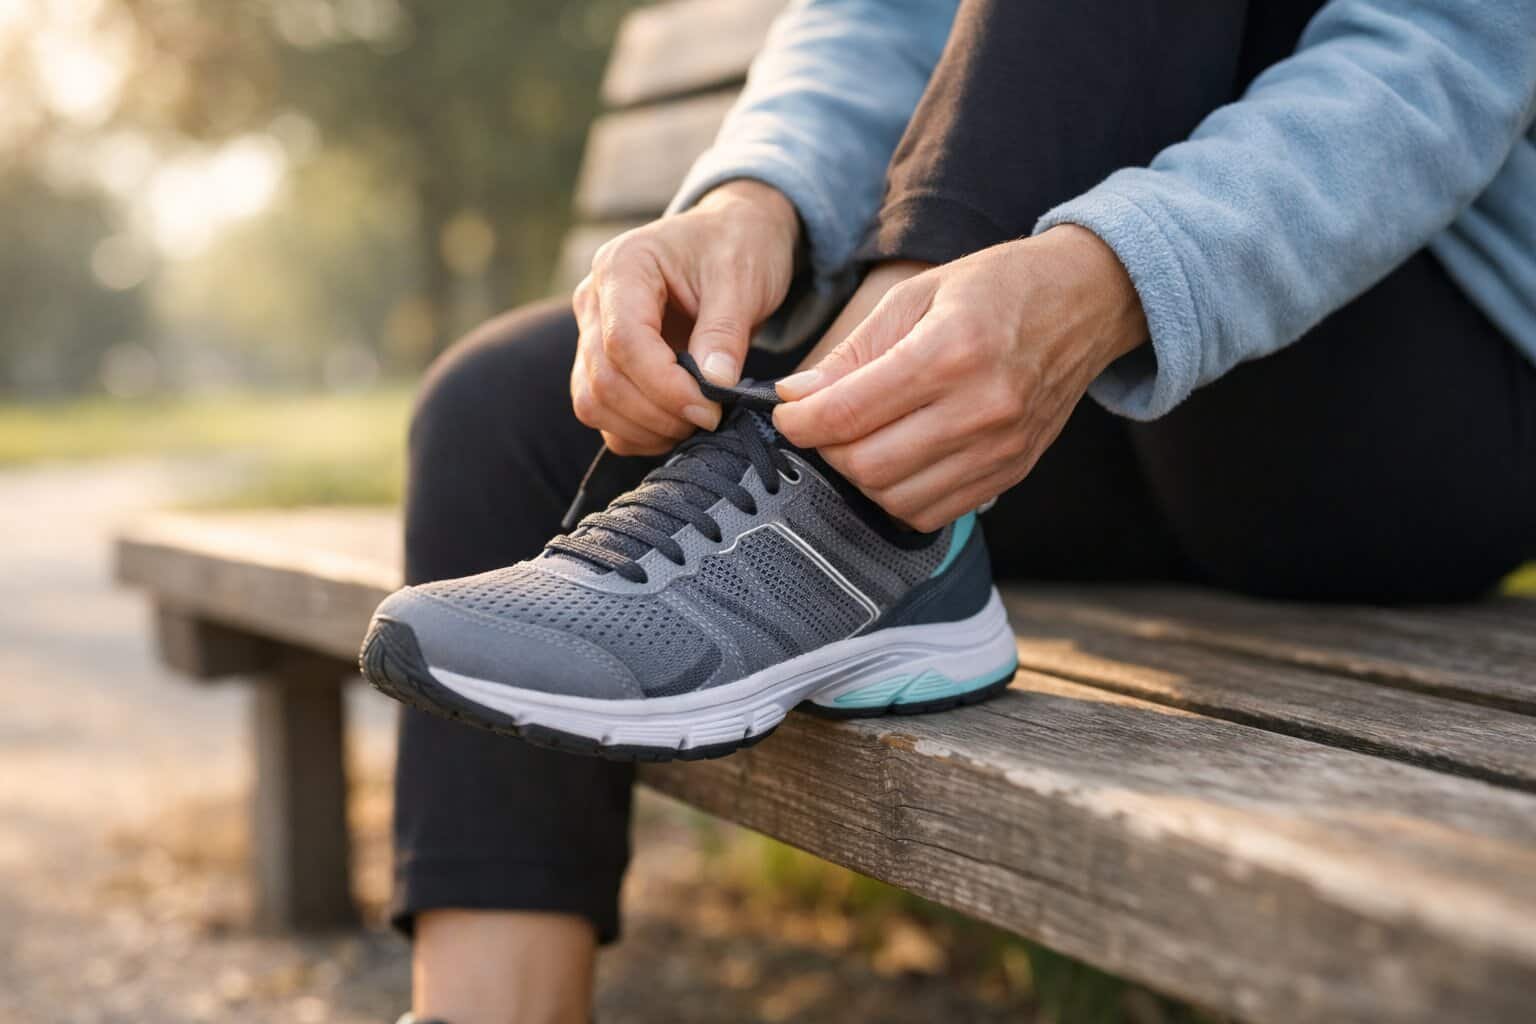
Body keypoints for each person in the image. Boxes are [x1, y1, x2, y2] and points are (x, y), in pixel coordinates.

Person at [380, 1, 1536, 1020]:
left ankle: (847, 500)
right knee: (500, 417)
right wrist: (755, 200)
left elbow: (1443, 46)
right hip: (1089, 391)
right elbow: (885, 15)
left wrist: (1107, 275)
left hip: (1395, 399)